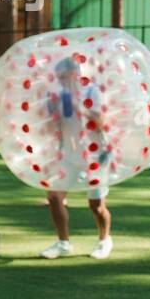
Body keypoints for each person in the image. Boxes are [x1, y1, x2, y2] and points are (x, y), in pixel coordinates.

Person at [41, 56, 112, 260]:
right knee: (54, 197)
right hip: (68, 155)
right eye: (58, 78)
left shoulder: (92, 92)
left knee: (96, 206)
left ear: (75, 74)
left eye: (63, 77)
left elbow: (101, 123)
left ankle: (104, 240)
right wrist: (51, 115)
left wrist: (80, 107)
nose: (60, 81)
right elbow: (51, 127)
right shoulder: (57, 97)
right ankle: (63, 243)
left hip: (94, 155)